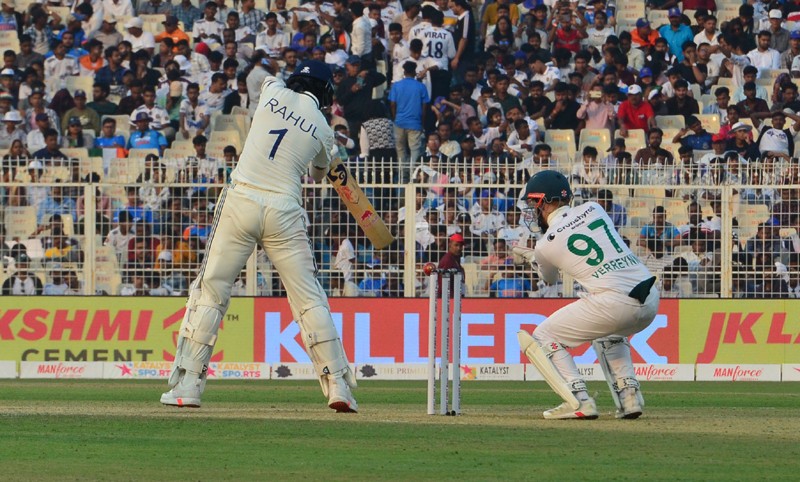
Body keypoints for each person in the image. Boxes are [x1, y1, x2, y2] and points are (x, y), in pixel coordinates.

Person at [160, 60, 358, 413]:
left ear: (296, 79)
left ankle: (188, 384)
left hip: (242, 198)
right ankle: (338, 385)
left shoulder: (270, 91)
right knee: (309, 298)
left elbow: (264, 76)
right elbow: (318, 173)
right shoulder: (324, 130)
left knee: (212, 289)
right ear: (327, 94)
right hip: (285, 207)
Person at [513, 170, 659, 420]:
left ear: (544, 202)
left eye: (533, 204)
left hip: (613, 302)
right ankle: (629, 396)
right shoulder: (594, 209)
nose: (533, 211)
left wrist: (532, 257)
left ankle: (578, 400)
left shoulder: (545, 244)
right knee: (609, 333)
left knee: (542, 336)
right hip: (649, 295)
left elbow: (549, 279)